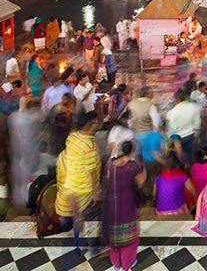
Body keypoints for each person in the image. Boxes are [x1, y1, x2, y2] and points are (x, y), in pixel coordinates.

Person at [102, 141, 146, 271]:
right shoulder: (132, 166)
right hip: (127, 208)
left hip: (111, 209)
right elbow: (140, 182)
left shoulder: (109, 165)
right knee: (129, 242)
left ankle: (116, 264)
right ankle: (127, 265)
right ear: (131, 152)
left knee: (114, 241)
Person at [55, 111, 101, 232]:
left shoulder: (73, 138)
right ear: (91, 124)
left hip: (64, 202)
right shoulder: (88, 148)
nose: (99, 123)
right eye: (97, 121)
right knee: (81, 233)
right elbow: (87, 173)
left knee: (68, 233)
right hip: (82, 202)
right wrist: (95, 192)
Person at [165, 89, 201, 167]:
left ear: (177, 99)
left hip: (177, 140)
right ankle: (189, 171)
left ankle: (182, 172)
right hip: (190, 135)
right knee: (189, 157)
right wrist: (196, 136)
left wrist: (169, 143)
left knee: (180, 159)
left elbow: (170, 131)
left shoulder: (171, 113)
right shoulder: (194, 107)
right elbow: (197, 125)